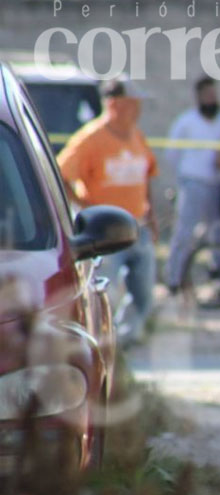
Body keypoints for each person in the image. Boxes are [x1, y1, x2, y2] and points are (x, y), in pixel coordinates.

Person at [57, 80, 159, 347]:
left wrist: (152, 217)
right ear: (114, 104)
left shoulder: (136, 135)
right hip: (104, 233)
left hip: (137, 226)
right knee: (107, 292)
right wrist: (85, 206)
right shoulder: (90, 138)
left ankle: (125, 340)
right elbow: (62, 175)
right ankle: (104, 341)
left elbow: (146, 177)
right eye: (132, 103)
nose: (137, 109)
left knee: (144, 294)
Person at [165, 76, 220, 306]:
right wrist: (185, 177)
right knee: (184, 231)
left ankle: (217, 276)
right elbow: (172, 155)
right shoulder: (186, 122)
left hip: (217, 184)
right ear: (199, 97)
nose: (211, 99)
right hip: (192, 182)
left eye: (214, 95)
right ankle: (173, 278)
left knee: (218, 233)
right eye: (207, 95)